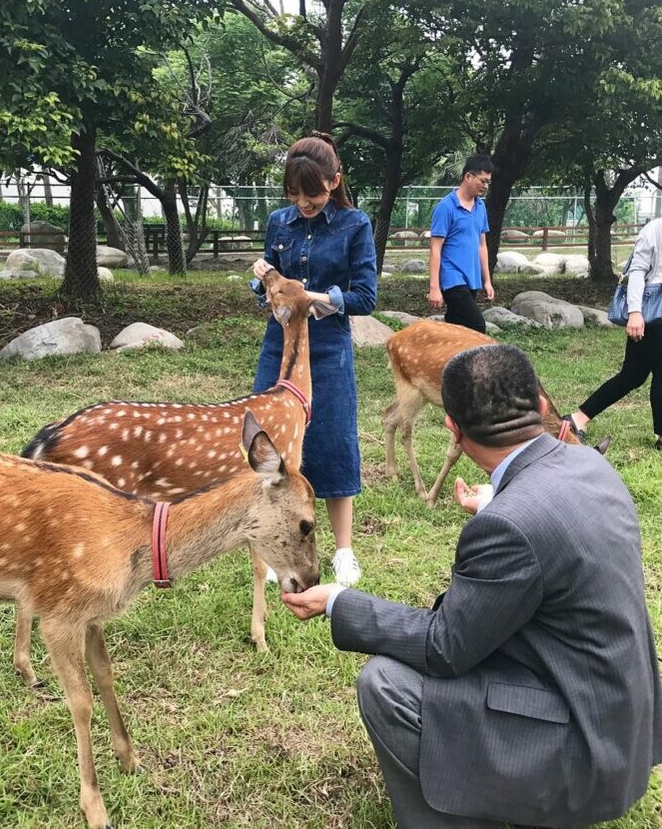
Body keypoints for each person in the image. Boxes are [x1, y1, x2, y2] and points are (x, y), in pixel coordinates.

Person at [282, 343, 662, 829]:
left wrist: (338, 600)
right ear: (543, 409)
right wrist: (502, 498)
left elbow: (444, 647)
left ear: (453, 429)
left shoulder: (509, 526)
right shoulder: (592, 467)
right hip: (622, 738)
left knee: (386, 685)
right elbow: (550, 534)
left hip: (582, 766)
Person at [251, 132, 377, 587]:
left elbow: (366, 296)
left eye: (313, 193)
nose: (303, 202)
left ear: (334, 182)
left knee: (333, 443)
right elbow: (268, 284)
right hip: (278, 347)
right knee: (270, 447)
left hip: (327, 350)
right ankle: (271, 549)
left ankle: (344, 550)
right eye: (294, 193)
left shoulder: (354, 225)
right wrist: (262, 277)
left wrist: (314, 298)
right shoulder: (279, 222)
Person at [566, 216, 662, 450]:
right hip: (653, 311)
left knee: (632, 375)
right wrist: (635, 312)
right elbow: (637, 272)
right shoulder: (655, 230)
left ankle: (578, 418)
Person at [427, 154, 495, 332]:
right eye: (483, 181)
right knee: (477, 326)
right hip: (452, 279)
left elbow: (482, 245)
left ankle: (445, 359)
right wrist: (434, 287)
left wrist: (487, 281)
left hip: (471, 278)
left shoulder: (480, 207)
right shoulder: (446, 207)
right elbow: (435, 248)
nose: (486, 186)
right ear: (468, 177)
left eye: (488, 182)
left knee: (457, 328)